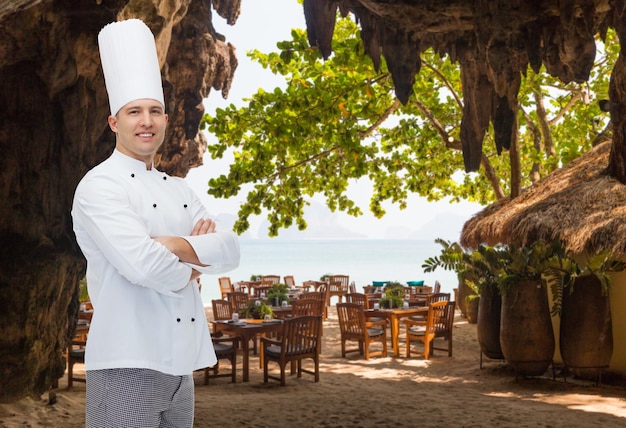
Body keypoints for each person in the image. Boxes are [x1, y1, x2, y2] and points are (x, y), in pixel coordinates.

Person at [71, 19, 240, 427]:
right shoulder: (98, 186)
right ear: (115, 122)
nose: (146, 121)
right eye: (134, 112)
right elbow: (145, 265)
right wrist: (197, 262)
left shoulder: (179, 189)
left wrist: (173, 245)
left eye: (154, 111)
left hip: (182, 367)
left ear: (166, 120)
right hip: (125, 363)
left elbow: (231, 250)